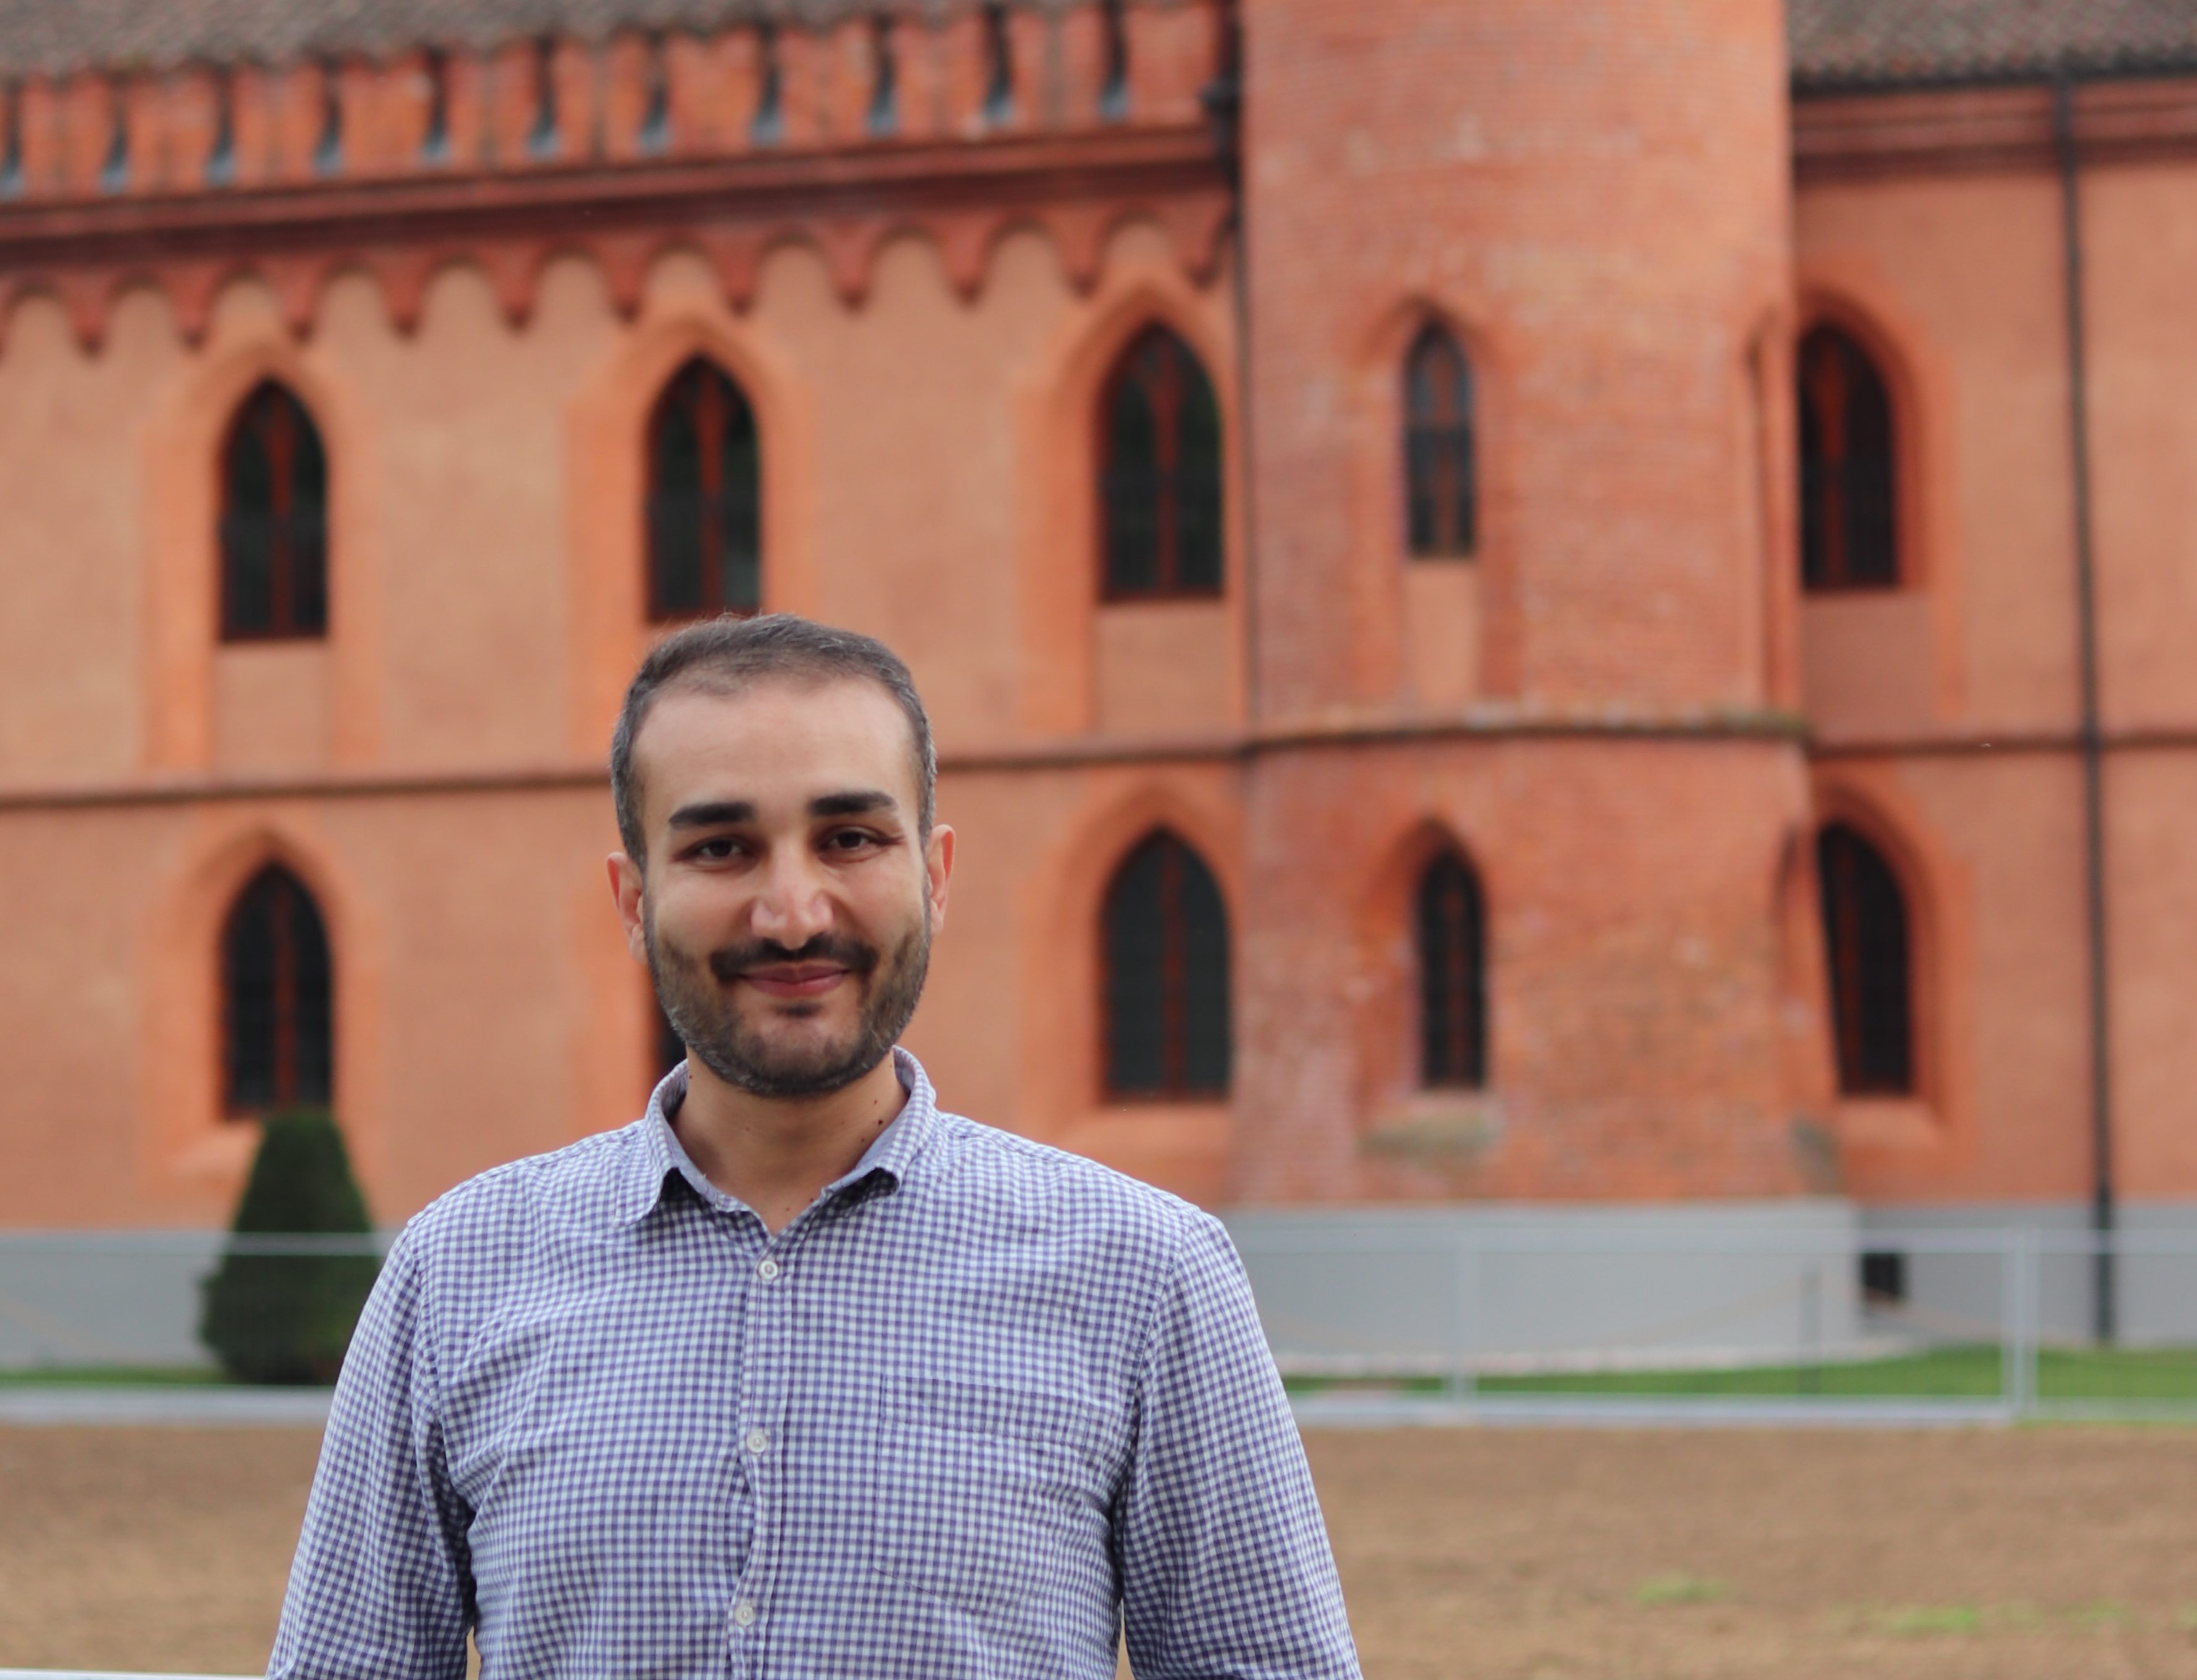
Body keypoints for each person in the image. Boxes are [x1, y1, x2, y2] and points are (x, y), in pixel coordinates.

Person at [270, 613, 1361, 1680]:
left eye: (850, 839)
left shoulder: (1148, 1276)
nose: (792, 915)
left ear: (935, 876)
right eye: (721, 848)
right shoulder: (456, 1273)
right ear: (635, 901)